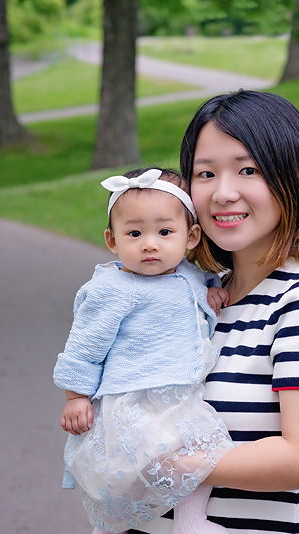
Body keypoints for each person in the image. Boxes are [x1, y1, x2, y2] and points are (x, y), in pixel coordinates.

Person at [128, 91, 299, 534]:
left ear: (294, 178)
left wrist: (167, 463)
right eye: (205, 173)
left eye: (248, 170)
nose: (223, 192)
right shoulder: (203, 299)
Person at [53, 167, 236, 534]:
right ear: (112, 239)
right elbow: (84, 348)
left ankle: (191, 522)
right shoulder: (113, 289)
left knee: (202, 459)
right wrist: (76, 397)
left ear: (191, 236)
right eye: (134, 233)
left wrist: (210, 294)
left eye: (164, 232)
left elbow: (198, 287)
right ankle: (115, 527)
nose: (150, 244)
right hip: (135, 399)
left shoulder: (188, 274)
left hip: (180, 396)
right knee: (133, 474)